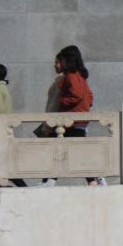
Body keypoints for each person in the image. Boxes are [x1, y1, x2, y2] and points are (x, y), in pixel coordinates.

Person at [37, 45, 107, 187]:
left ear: (67, 60)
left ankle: (51, 180)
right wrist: (84, 107)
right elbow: (89, 96)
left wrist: (62, 102)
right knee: (71, 150)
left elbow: (76, 95)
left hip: (72, 121)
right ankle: (93, 180)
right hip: (78, 120)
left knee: (59, 149)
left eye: (60, 60)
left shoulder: (71, 76)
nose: (57, 64)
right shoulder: (79, 76)